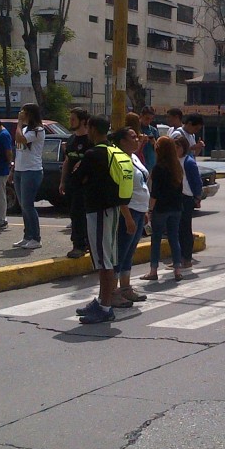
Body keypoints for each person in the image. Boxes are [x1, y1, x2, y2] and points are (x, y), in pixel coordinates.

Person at [73, 116, 136, 324]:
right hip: (111, 210)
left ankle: (105, 307)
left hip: (99, 211)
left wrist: (81, 175)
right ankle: (102, 300)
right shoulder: (113, 152)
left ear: (91, 129)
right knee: (105, 257)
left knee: (104, 260)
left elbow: (76, 179)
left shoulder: (93, 154)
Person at [111, 126, 149, 305]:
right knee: (120, 252)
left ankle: (126, 288)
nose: (137, 139)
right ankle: (112, 291)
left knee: (129, 252)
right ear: (122, 142)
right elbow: (119, 192)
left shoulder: (134, 157)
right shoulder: (118, 160)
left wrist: (146, 211)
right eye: (133, 137)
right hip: (129, 210)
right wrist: (127, 217)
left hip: (140, 210)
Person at [142, 135, 185, 282]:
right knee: (174, 238)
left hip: (161, 208)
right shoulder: (177, 167)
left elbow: (155, 193)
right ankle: (178, 270)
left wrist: (150, 210)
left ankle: (153, 270)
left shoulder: (158, 168)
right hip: (176, 207)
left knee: (156, 238)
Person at [60, 108, 93, 259]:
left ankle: (81, 244)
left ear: (83, 121)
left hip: (85, 186)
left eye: (74, 119)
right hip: (71, 184)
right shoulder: (72, 139)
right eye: (70, 118)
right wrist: (62, 181)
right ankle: (80, 242)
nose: (71, 121)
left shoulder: (90, 141)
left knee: (81, 215)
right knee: (74, 214)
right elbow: (67, 160)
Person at [13, 103, 46, 249]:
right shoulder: (26, 129)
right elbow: (19, 148)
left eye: (23, 112)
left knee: (28, 205)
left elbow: (21, 139)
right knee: (23, 206)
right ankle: (27, 236)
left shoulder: (38, 130)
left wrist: (19, 122)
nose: (21, 114)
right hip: (20, 170)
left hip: (31, 171)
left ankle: (36, 238)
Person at [176, 135, 203, 270]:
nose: (175, 149)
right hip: (175, 197)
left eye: (178, 147)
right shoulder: (173, 161)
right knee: (177, 229)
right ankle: (179, 258)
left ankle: (186, 258)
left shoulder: (188, 161)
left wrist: (197, 197)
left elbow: (196, 181)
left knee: (185, 228)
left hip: (186, 197)